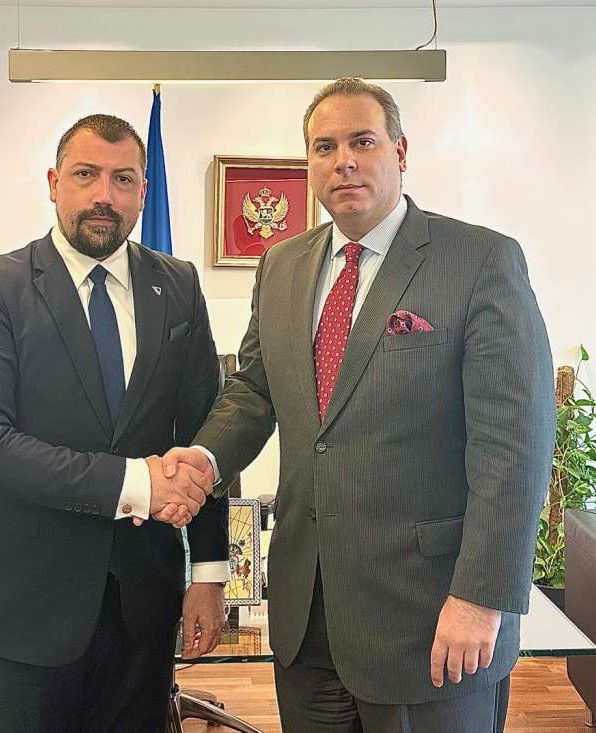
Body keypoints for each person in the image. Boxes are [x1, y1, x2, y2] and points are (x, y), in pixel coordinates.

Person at [163, 78, 555, 732]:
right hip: (306, 617)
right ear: (309, 162)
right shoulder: (281, 265)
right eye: (325, 146)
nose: (343, 160)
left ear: (400, 151)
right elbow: (256, 389)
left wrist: (481, 597)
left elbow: (514, 447)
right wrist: (204, 459)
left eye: (362, 142)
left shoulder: (480, 260)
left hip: (430, 619)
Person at [0, 114, 228, 733]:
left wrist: (208, 573)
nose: (105, 195)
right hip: (26, 610)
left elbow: (205, 435)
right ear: (53, 183)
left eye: (123, 179)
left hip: (144, 608)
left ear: (143, 192)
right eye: (85, 175)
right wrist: (135, 483)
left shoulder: (178, 286)